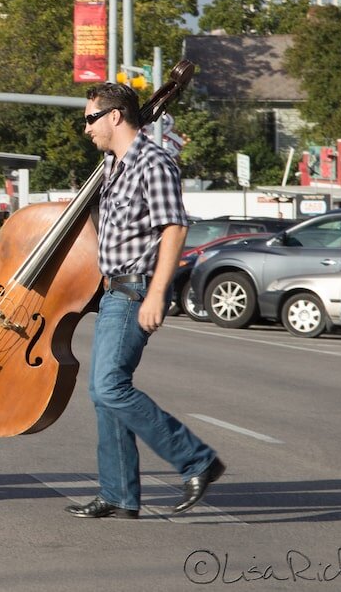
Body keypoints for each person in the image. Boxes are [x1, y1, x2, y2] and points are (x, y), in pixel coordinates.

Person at [69, 82, 225, 519]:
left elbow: (174, 227)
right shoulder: (114, 165)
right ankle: (119, 494)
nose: (86, 129)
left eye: (90, 119)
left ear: (115, 116)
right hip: (112, 289)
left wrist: (156, 294)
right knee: (103, 394)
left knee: (110, 386)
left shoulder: (153, 162)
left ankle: (197, 460)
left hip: (135, 289)